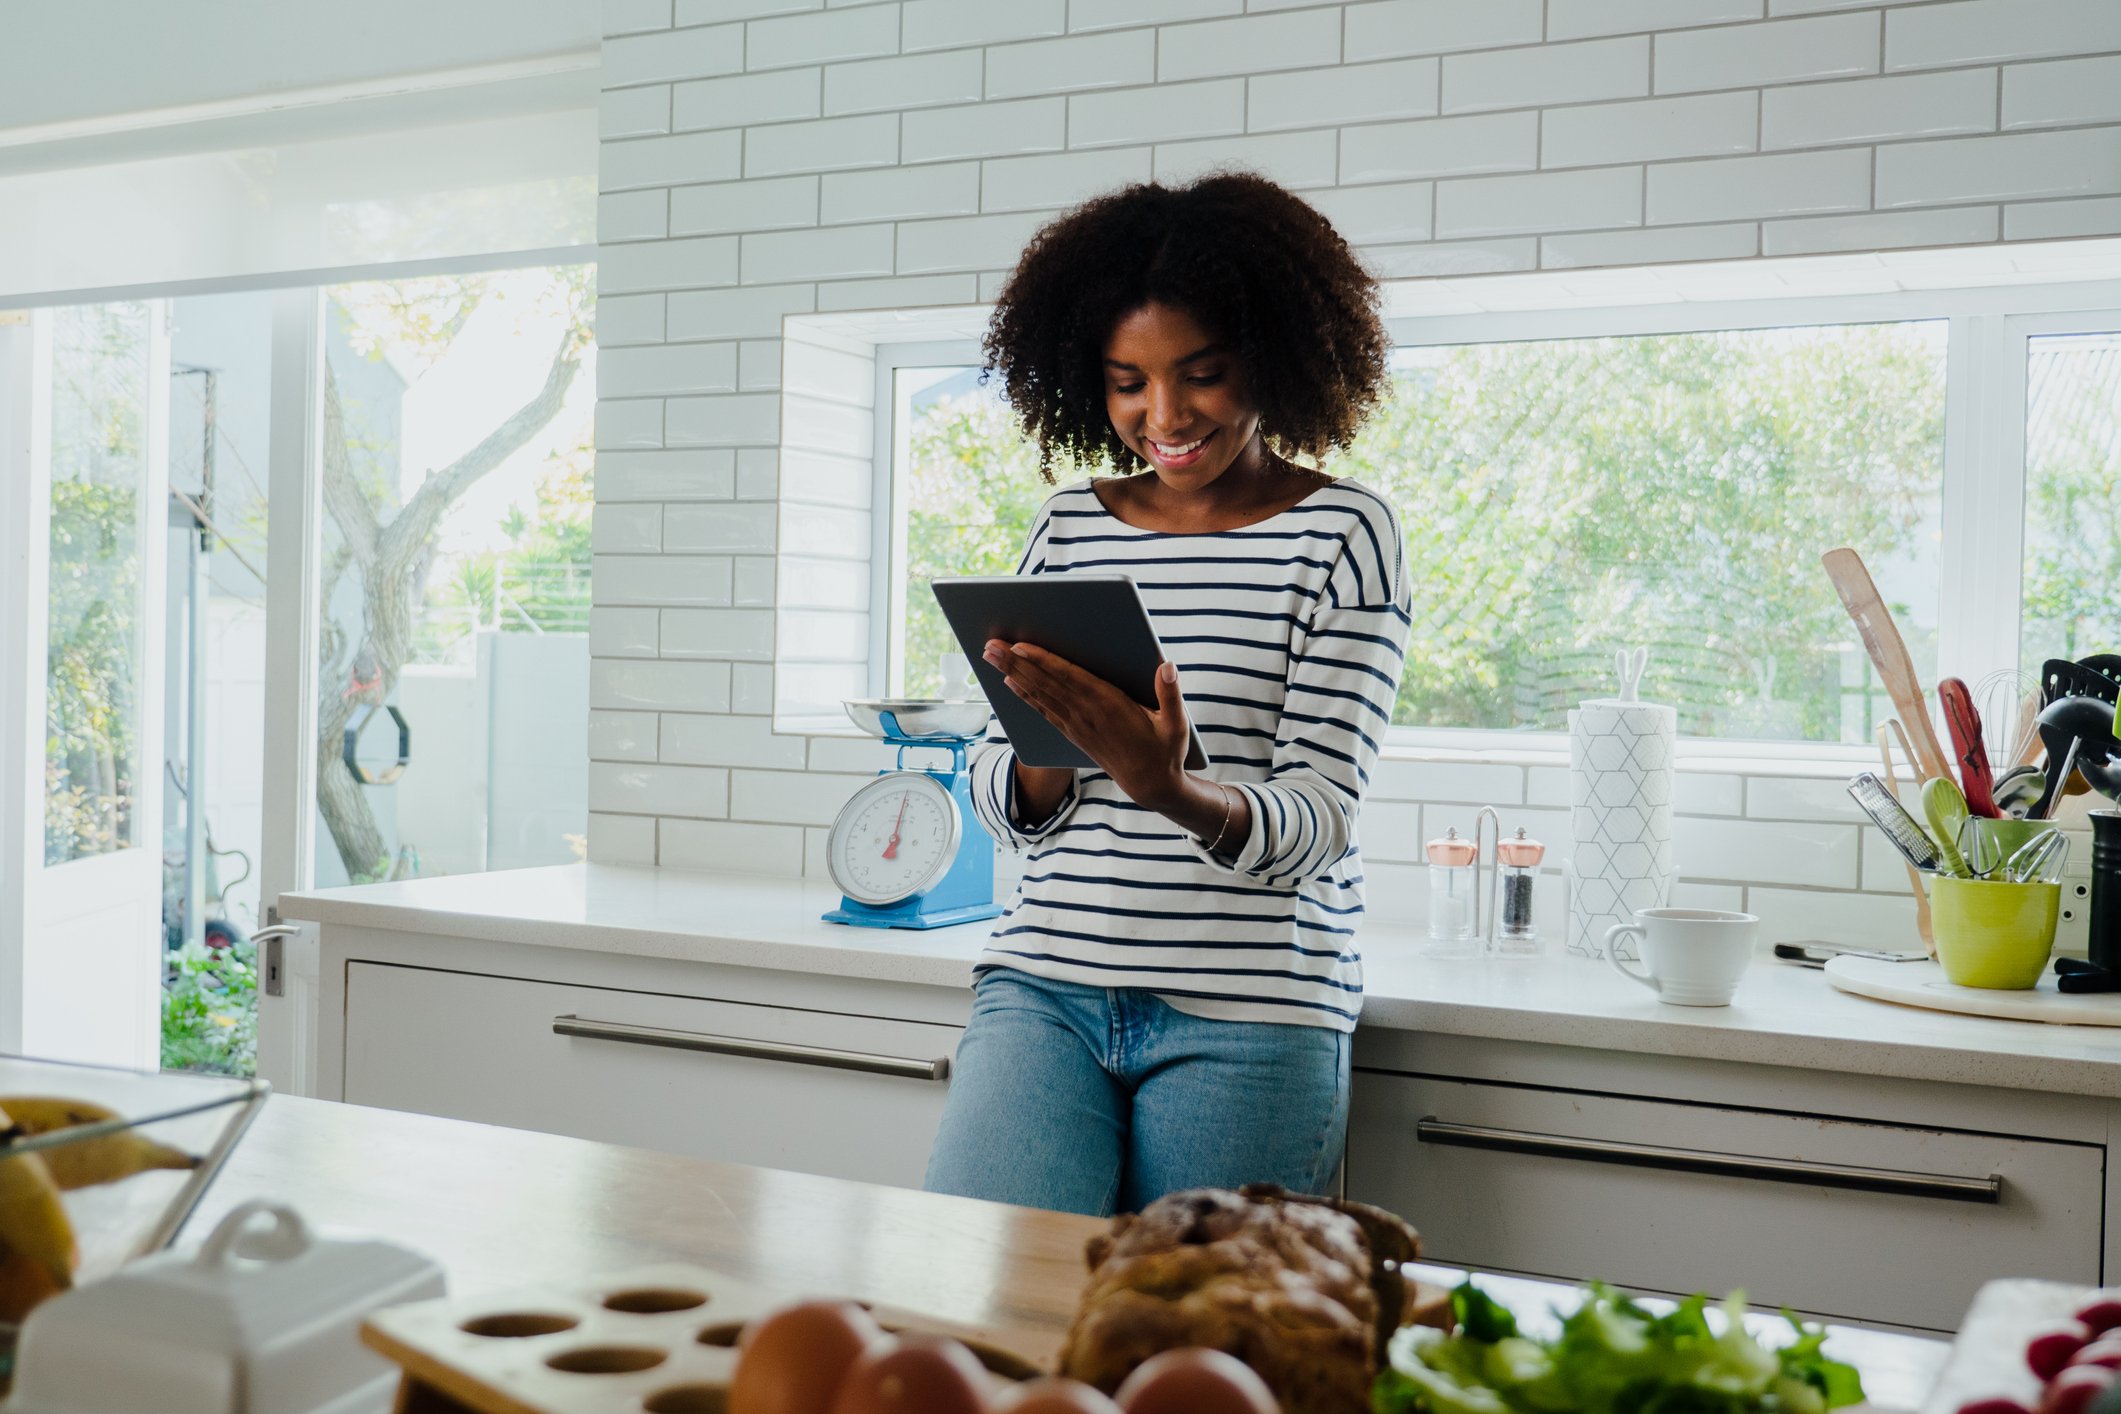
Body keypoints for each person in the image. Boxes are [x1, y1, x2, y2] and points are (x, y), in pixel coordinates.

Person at [920, 171, 1412, 1217]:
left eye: (1203, 373)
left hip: (1251, 1018)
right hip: (1043, 990)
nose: (1165, 415)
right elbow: (1001, 785)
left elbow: (1322, 816)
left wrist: (1175, 789)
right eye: (1127, 382)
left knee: (1190, 1357)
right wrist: (1050, 753)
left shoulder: (1343, 534)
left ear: (1272, 357)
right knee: (976, 1307)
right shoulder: (1069, 526)